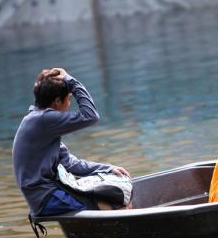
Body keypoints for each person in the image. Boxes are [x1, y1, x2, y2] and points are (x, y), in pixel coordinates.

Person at [12, 68, 131, 216]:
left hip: (47, 194)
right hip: (46, 197)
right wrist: (72, 81)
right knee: (109, 202)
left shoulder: (40, 122)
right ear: (57, 101)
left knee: (111, 191)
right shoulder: (43, 120)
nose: (69, 104)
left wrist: (108, 168)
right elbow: (91, 116)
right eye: (69, 99)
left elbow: (70, 164)